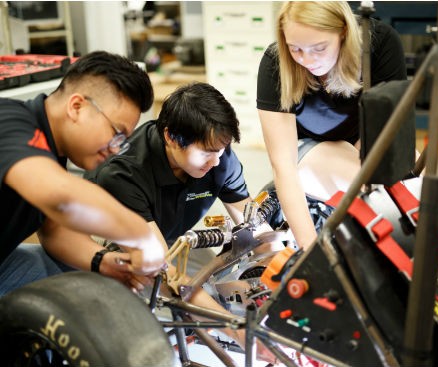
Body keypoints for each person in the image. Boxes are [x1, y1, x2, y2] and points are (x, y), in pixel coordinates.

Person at [43, 81, 275, 362]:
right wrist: (237, 331)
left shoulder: (218, 157)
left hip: (171, 238)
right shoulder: (124, 172)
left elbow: (254, 229)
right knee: (169, 314)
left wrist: (278, 267)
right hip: (112, 246)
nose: (216, 162)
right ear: (172, 137)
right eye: (206, 152)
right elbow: (163, 270)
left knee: (221, 289)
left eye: (222, 150)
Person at [0, 51, 166, 296]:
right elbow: (60, 199)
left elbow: (54, 229)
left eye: (123, 141)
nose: (115, 148)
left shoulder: (53, 149)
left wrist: (101, 261)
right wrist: (140, 235)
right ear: (77, 106)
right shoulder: (8, 122)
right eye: (116, 133)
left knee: (73, 280)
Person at [256, 1, 407, 251]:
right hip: (306, 151)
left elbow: (388, 135)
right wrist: (311, 252)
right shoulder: (276, 64)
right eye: (296, 49)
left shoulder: (379, 43)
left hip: (364, 139)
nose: (307, 60)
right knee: (363, 184)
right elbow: (283, 165)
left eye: (319, 48)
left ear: (344, 33)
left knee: (411, 189)